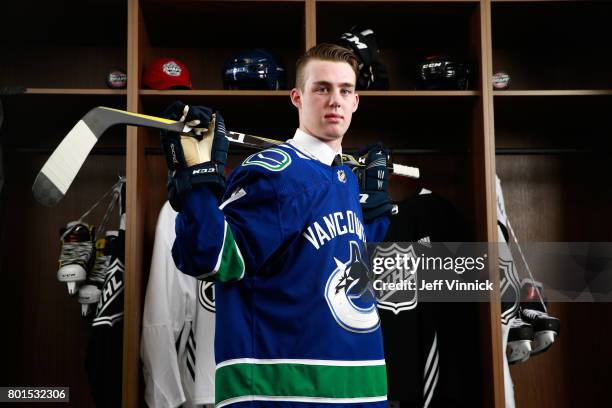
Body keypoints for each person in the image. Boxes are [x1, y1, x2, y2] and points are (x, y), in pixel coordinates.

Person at [160, 43, 396, 408]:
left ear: (355, 101)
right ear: (297, 97)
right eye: (322, 88)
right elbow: (210, 256)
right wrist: (197, 188)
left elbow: (334, 265)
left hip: (361, 394)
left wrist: (376, 217)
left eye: (344, 90)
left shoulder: (345, 178)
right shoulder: (276, 173)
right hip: (284, 396)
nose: (335, 100)